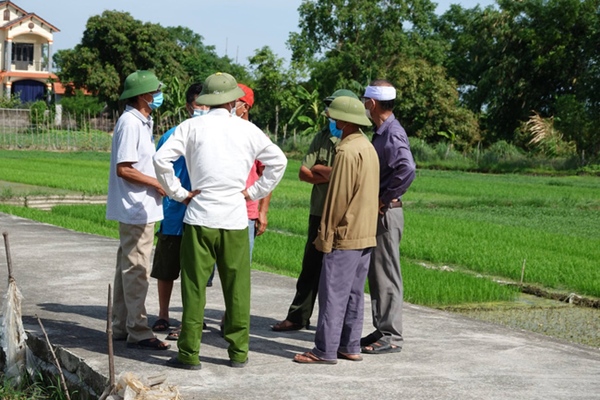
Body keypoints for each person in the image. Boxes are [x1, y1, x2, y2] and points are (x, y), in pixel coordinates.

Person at [153, 72, 287, 370]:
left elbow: (161, 160)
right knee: (237, 287)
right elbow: (279, 161)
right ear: (233, 100)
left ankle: (189, 353)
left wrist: (179, 192)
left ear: (206, 100)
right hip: (236, 218)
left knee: (193, 286)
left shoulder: (190, 128)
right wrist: (253, 192)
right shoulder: (248, 130)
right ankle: (238, 352)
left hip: (199, 216)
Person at [293, 96, 379, 364]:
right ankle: (349, 345)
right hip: (365, 231)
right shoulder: (367, 147)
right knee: (354, 292)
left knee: (332, 292)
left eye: (334, 116)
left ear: (343, 120)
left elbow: (337, 198)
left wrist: (326, 234)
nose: (331, 120)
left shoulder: (345, 151)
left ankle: (324, 350)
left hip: (345, 232)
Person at [272, 89, 358, 332]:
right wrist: (332, 175)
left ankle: (336, 326)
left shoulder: (358, 141)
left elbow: (354, 178)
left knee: (340, 272)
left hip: (345, 215)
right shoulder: (321, 137)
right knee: (310, 266)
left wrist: (323, 170)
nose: (330, 116)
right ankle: (298, 316)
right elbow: (303, 172)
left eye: (334, 110)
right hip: (320, 211)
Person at [105, 70, 170, 350]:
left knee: (127, 267)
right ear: (144, 95)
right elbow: (125, 168)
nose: (158, 95)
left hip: (139, 207)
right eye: (155, 91)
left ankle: (121, 326)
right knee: (137, 269)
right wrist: (155, 182)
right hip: (136, 209)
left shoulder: (141, 121)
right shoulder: (131, 123)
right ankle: (139, 331)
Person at [360, 79, 416, 354]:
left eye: (364, 101)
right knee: (378, 274)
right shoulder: (383, 131)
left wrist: (385, 198)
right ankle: (382, 328)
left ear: (371, 103)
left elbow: (407, 168)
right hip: (381, 211)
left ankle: (392, 335)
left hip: (387, 213)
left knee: (387, 273)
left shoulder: (392, 133)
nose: (363, 106)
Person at [150, 83, 209, 339]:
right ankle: (163, 314)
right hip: (174, 213)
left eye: (207, 105)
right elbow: (159, 168)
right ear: (188, 107)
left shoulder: (215, 137)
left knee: (196, 272)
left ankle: (191, 318)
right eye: (198, 105)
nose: (203, 110)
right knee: (166, 269)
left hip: (204, 212)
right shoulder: (172, 135)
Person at [206, 83, 272, 289]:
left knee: (238, 269)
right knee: (205, 269)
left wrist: (263, 211)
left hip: (246, 212)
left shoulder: (256, 136)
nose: (231, 106)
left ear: (246, 107)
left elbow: (267, 174)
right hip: (215, 207)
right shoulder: (218, 132)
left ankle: (230, 317)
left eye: (236, 102)